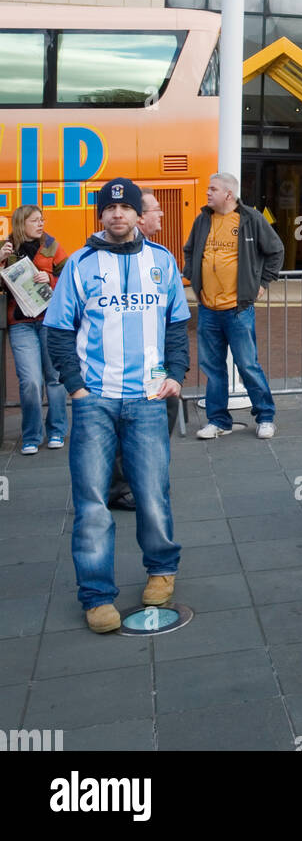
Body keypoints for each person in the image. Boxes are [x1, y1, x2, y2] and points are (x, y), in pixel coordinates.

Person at [43, 177, 189, 633]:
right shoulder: (80, 264)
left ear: (137, 214)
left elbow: (177, 326)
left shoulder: (161, 261)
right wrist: (75, 387)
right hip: (95, 401)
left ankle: (161, 571)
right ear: (101, 215)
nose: (119, 214)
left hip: (147, 399)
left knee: (152, 493)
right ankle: (96, 595)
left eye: (126, 208)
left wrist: (175, 376)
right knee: (91, 502)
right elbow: (59, 330)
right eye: (110, 208)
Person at [183, 172, 284, 439]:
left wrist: (262, 283)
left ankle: (265, 417)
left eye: (212, 189)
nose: (207, 192)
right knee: (213, 369)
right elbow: (190, 249)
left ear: (229, 194)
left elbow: (276, 250)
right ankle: (218, 421)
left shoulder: (251, 219)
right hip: (208, 309)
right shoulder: (203, 219)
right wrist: (193, 276)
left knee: (247, 365)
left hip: (237, 310)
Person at [106, 190, 179, 511]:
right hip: (118, 366)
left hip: (153, 363)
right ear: (142, 216)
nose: (160, 216)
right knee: (124, 424)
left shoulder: (160, 257)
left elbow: (174, 316)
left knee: (165, 411)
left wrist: (175, 368)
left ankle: (147, 478)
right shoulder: (102, 258)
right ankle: (121, 487)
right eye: (156, 211)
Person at [0, 206, 68, 455]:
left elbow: (70, 279)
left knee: (55, 378)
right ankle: (31, 435)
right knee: (30, 381)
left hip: (50, 320)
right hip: (21, 323)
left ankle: (57, 430)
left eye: (42, 220)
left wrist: (48, 279)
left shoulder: (52, 245)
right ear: (21, 223)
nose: (41, 224)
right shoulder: (6, 248)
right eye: (35, 221)